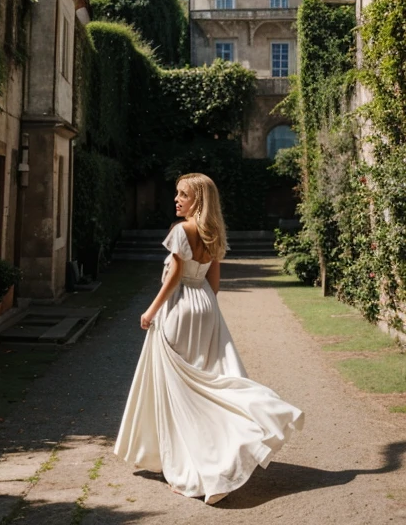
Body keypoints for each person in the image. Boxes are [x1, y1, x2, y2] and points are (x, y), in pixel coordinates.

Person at [114, 172, 304, 505]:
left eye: (182, 195)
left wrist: (152, 310)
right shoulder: (213, 232)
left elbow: (174, 275)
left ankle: (196, 466)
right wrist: (208, 311)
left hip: (181, 306)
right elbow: (214, 282)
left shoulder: (181, 231)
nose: (176, 199)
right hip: (205, 306)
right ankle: (217, 445)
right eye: (176, 194)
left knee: (180, 389)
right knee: (202, 380)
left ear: (198, 200)